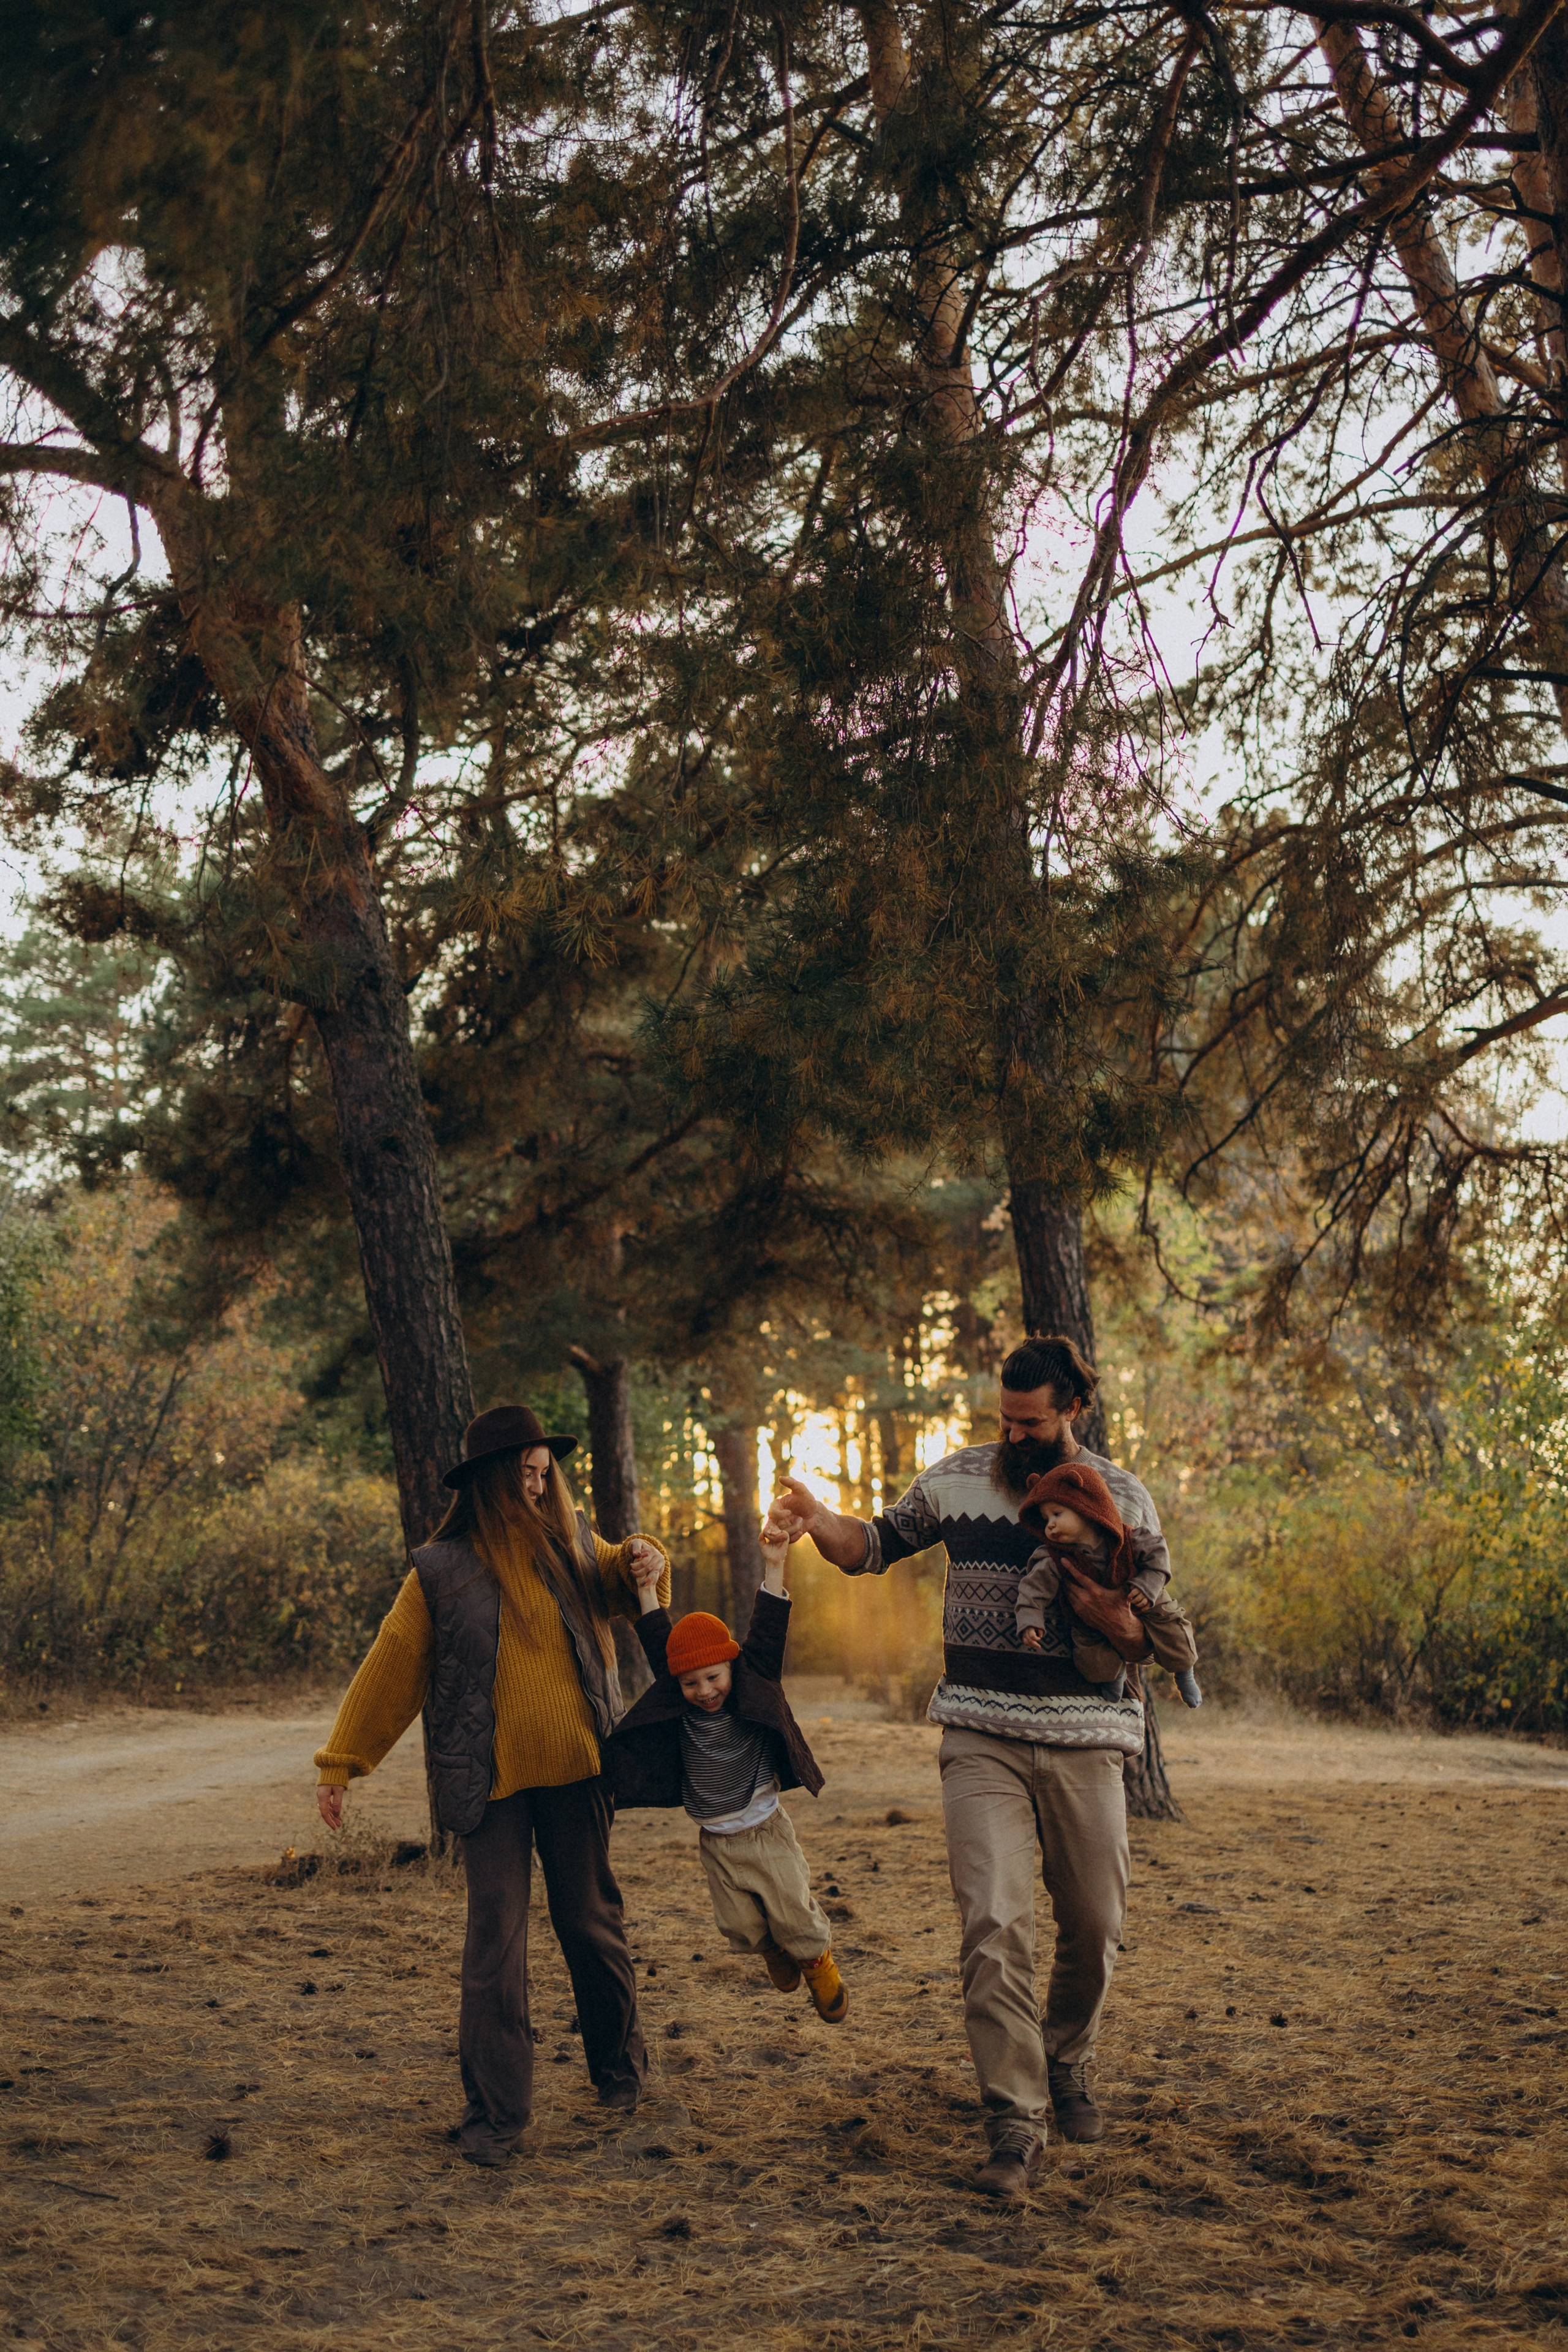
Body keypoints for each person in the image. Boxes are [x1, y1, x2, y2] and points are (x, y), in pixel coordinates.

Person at [768, 1332, 1163, 2198]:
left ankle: (1069, 2063)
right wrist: (814, 1516)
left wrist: (1122, 1623)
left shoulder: (1125, 1497)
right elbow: (867, 1546)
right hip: (980, 1735)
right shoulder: (955, 1478)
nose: (1015, 1437)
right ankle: (1015, 2121)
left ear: (1073, 1412)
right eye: (1004, 1421)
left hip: (1088, 1737)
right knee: (994, 1924)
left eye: (1032, 1423)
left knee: (1095, 1924)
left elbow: (1153, 1628)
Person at [312, 1403, 670, 2166]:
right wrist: (343, 1759)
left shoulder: (569, 1543)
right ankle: (497, 2116)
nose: (542, 1488)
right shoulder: (440, 1574)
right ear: (494, 1481)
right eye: (530, 1475)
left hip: (578, 1770)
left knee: (590, 1923)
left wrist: (643, 1557)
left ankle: (619, 2072)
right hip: (493, 1786)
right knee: (494, 1945)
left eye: (548, 1474)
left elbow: (617, 1572)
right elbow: (392, 1666)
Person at [607, 1521, 848, 2022]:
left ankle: (817, 1963)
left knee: (793, 1912)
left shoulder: (751, 1680)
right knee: (739, 1923)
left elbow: (768, 1627)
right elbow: (658, 1643)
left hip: (765, 1831)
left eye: (713, 1677)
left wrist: (775, 1563)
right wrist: (647, 1590)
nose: (704, 1691)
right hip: (715, 1839)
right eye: (691, 1683)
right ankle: (772, 1951)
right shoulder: (681, 1696)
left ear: (732, 1667)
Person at [1016, 1460, 1203, 1709]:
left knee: (1174, 1631)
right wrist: (1030, 1619)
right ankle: (1114, 1675)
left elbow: (1158, 1555)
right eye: (1046, 1518)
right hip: (1087, 1621)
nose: (1049, 1524)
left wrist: (1149, 1584)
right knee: (1092, 1659)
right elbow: (1033, 1589)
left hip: (1144, 1597)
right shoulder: (1056, 1558)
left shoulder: (1129, 1538)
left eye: (1057, 1514)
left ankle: (1184, 1673)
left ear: (1086, 1507)